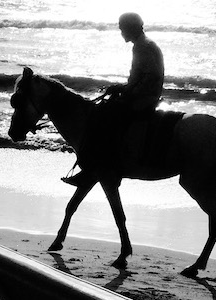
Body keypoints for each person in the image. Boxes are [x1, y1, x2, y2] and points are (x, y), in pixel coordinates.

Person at [63, 12, 164, 187]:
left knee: (104, 116)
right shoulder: (142, 44)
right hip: (144, 94)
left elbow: (150, 77)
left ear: (131, 28)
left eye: (122, 29)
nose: (121, 33)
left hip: (145, 98)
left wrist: (129, 93)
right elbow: (140, 78)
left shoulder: (142, 47)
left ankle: (102, 165)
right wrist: (122, 88)